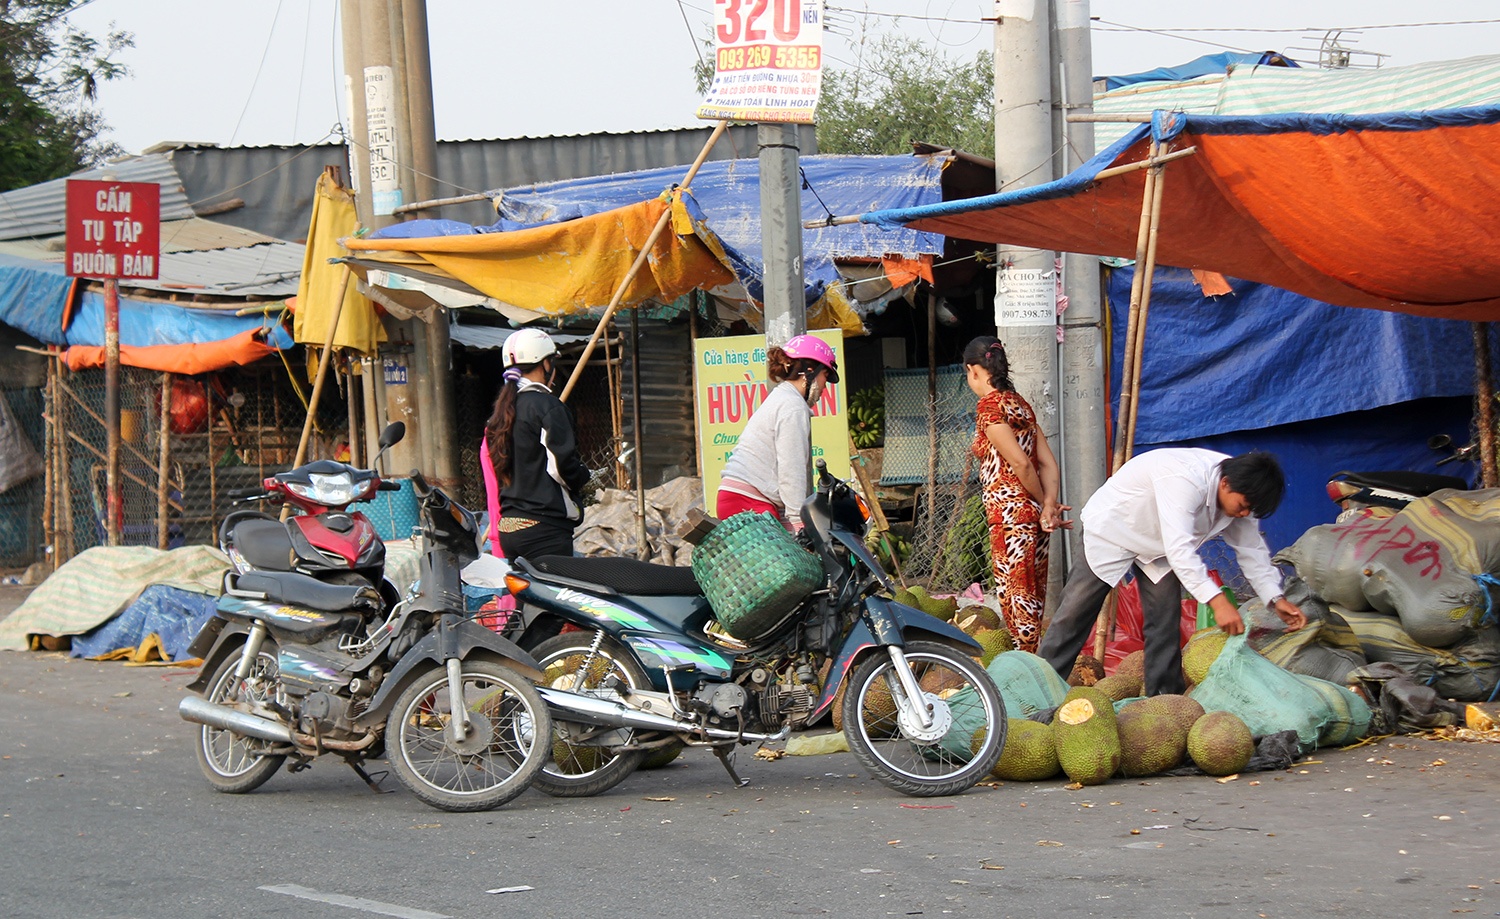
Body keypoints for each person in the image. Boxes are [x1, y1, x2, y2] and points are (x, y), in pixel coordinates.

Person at [1036, 448, 1308, 697]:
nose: (1244, 513)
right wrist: (1216, 600)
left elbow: (1252, 550)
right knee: (1074, 615)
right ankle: (1036, 694)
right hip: (1115, 527)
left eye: (1250, 510)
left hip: (1160, 547)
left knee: (1165, 620)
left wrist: (1275, 598)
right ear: (1225, 484)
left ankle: (1165, 702)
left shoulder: (1240, 495)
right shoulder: (1185, 479)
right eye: (1242, 506)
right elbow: (1181, 550)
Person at [963, 336, 1068, 654]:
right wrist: (1048, 503)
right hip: (1032, 517)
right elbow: (1048, 463)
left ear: (974, 371)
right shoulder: (1020, 404)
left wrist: (1039, 504)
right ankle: (1037, 664)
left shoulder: (989, 407)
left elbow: (1022, 464)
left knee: (1016, 598)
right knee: (1031, 597)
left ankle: (1030, 672)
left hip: (1010, 517)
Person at [481, 327, 590, 560]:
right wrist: (583, 476)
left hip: (509, 530)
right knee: (556, 596)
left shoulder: (500, 415)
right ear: (546, 364)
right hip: (544, 530)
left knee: (526, 596)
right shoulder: (548, 407)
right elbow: (562, 468)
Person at [716, 334, 839, 529]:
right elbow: (791, 470)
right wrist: (799, 523)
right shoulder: (792, 406)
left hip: (743, 499)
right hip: (748, 502)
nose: (825, 386)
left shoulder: (783, 398)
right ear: (810, 372)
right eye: (825, 375)